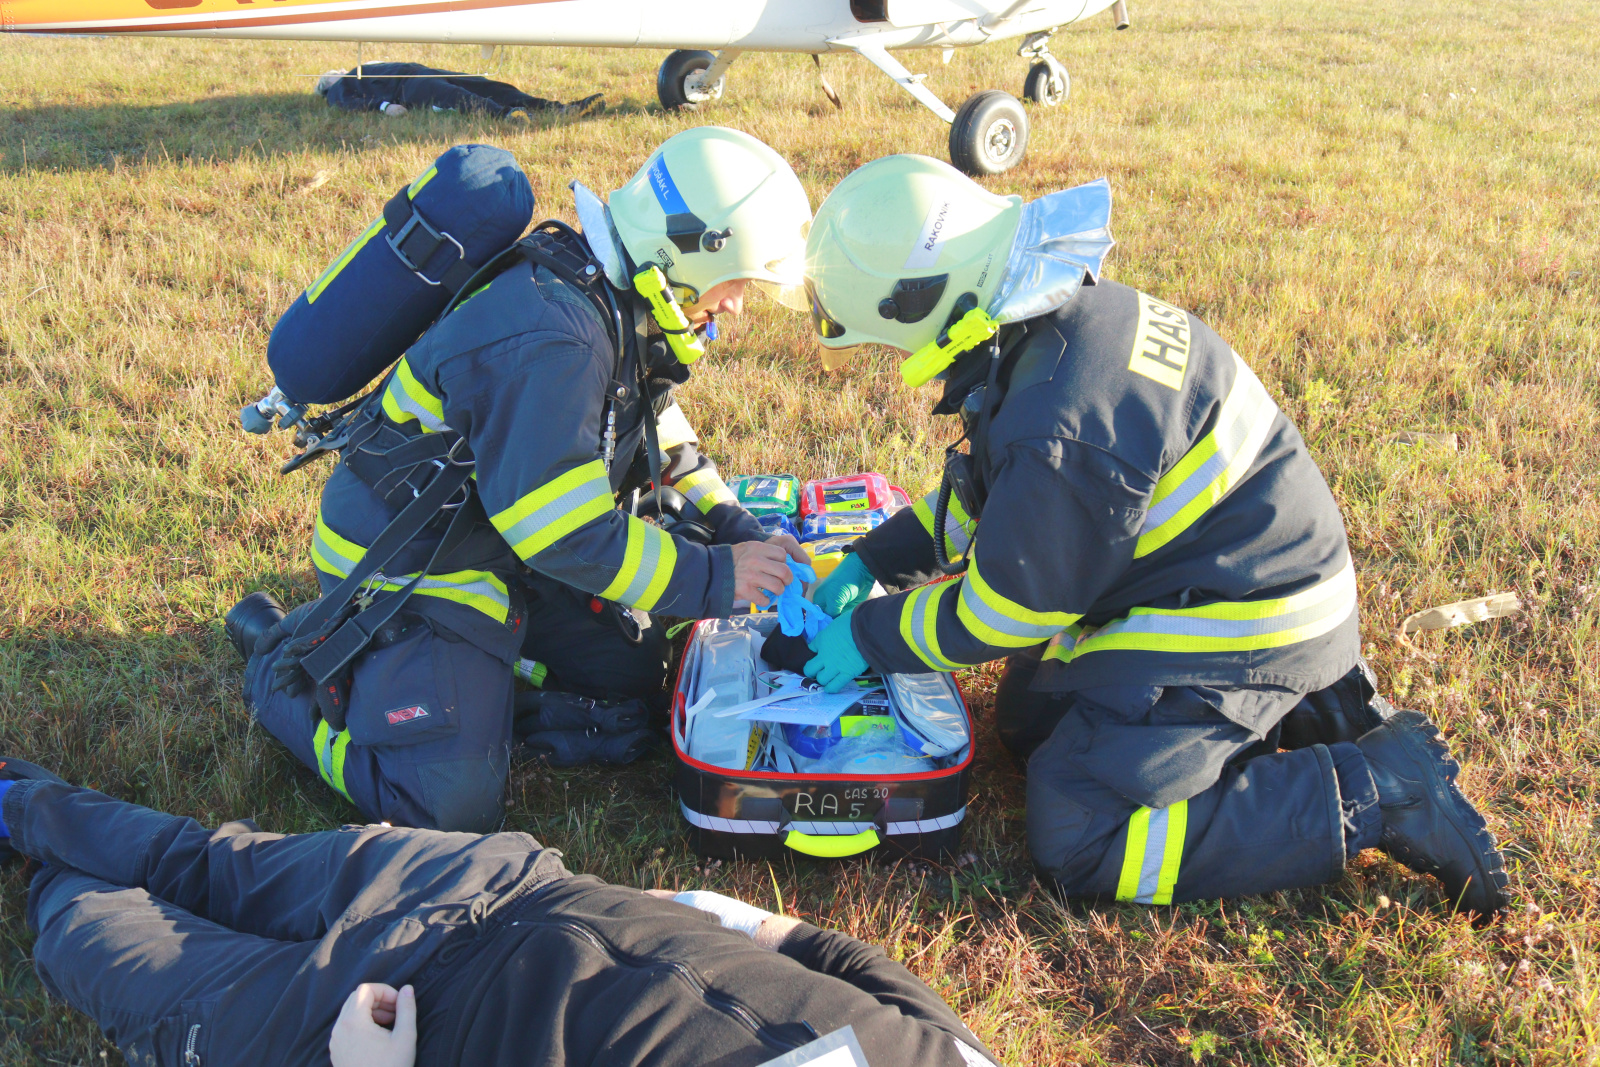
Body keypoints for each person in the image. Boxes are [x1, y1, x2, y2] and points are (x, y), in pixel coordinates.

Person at [797, 155, 1509, 916]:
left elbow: (1002, 611)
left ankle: (1381, 790)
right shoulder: (1049, 331)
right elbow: (995, 499)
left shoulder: (1060, 422)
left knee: (1078, 823)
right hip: (1241, 579)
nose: (898, 361)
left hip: (1246, 619)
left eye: (887, 341)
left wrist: (870, 635)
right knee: (1029, 724)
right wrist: (873, 557)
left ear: (926, 302)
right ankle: (1310, 704)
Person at [229, 127, 814, 834]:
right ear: (693, 249)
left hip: (494, 539)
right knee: (450, 806)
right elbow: (565, 533)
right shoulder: (556, 339)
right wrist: (719, 575)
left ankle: (470, 684)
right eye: (741, 280)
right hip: (417, 569)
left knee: (628, 682)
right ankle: (278, 666)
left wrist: (734, 523)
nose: (739, 303)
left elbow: (661, 429)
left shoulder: (609, 295)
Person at [0, 758, 1001, 1067]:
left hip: (395, 1020)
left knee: (96, 932)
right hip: (504, 882)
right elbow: (842, 953)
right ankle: (16, 795)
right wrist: (707, 905)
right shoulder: (955, 1057)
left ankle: (39, 865)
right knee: (201, 858)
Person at [314, 63, 603, 120]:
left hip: (421, 73)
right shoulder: (336, 89)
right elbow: (348, 104)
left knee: (488, 85)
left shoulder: (357, 71)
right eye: (330, 74)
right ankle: (509, 115)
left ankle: (555, 108)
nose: (335, 71)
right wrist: (383, 107)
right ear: (325, 84)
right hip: (408, 85)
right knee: (458, 97)